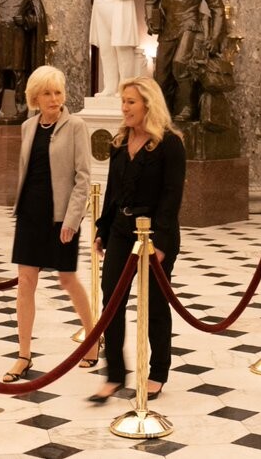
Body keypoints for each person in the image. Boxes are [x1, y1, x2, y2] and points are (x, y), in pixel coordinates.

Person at [88, 76, 186, 403]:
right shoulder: (119, 142)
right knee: (111, 301)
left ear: (148, 104)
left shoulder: (169, 144)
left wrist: (161, 242)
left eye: (130, 101)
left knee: (156, 303)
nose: (124, 108)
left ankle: (157, 373)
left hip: (154, 233)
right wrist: (102, 229)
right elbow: (113, 193)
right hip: (120, 230)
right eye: (123, 101)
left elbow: (172, 197)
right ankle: (115, 374)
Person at [4, 65, 97, 382]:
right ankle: (24, 355)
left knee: (67, 279)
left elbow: (83, 179)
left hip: (61, 217)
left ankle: (92, 337)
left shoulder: (76, 126)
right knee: (25, 283)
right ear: (35, 97)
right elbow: (26, 171)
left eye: (58, 92)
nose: (54, 98)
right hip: (30, 214)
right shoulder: (28, 126)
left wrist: (72, 219)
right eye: (47, 93)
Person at [144, 0, 226, 122]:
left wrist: (215, 38)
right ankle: (163, 113)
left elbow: (217, 7)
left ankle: (188, 107)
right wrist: (151, 20)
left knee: (180, 65)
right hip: (167, 29)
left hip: (191, 26)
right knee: (161, 75)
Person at [90, 0, 145, 96]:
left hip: (119, 12)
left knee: (122, 49)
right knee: (106, 51)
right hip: (101, 13)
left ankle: (125, 87)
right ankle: (110, 87)